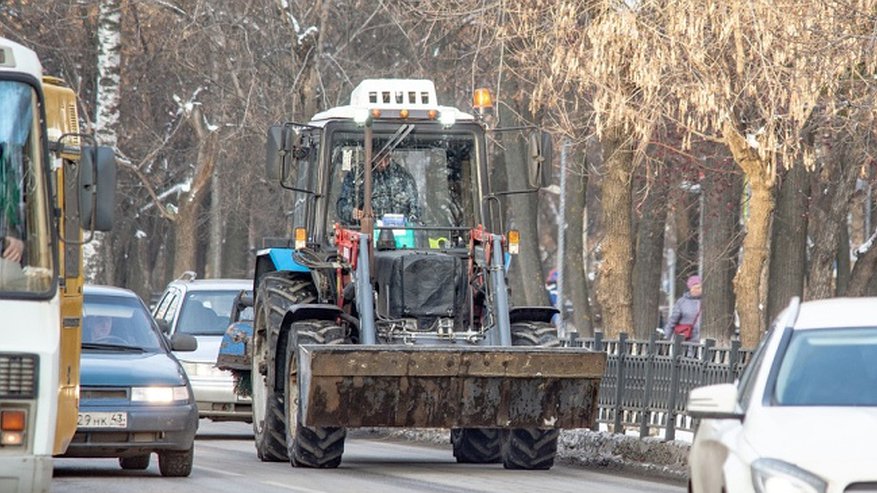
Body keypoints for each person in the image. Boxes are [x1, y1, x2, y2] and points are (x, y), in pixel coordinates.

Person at [336, 152, 420, 224]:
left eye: (386, 157)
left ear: (391, 154)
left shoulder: (403, 177)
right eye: (379, 157)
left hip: (399, 234)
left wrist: (410, 221)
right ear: (371, 154)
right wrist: (352, 212)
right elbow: (342, 205)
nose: (383, 163)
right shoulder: (357, 175)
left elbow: (415, 208)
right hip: (364, 235)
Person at [663, 275, 702, 343]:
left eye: (699, 288)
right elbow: (672, 321)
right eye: (695, 288)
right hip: (685, 339)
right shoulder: (682, 302)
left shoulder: (707, 302)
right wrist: (666, 338)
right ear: (690, 288)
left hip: (701, 340)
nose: (697, 290)